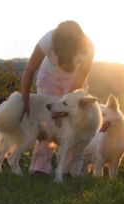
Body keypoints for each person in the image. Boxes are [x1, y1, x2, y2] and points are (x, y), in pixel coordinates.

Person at [20, 20, 94, 175]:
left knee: (74, 123)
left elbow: (79, 80)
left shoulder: (88, 48)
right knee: (47, 122)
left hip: (74, 83)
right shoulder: (48, 40)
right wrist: (25, 103)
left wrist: (63, 110)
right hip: (49, 77)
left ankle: (70, 170)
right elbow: (29, 70)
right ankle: (40, 168)